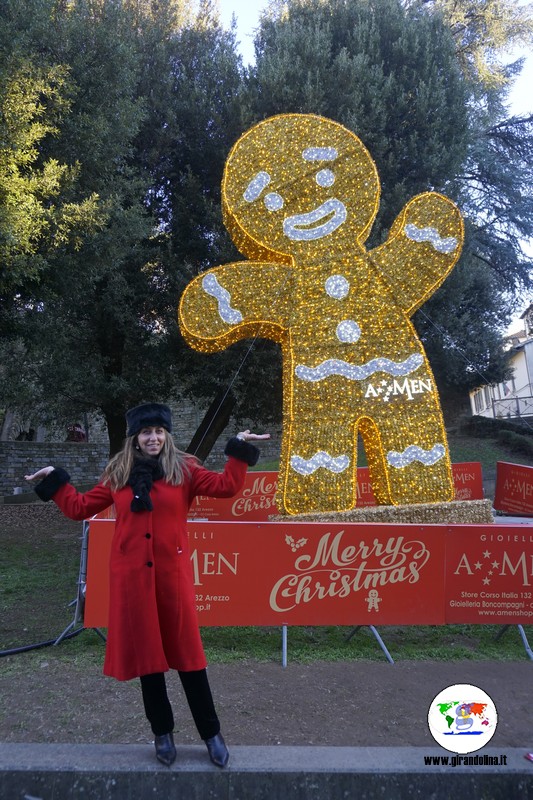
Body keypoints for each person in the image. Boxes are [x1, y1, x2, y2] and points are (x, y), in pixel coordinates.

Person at [25, 402, 269, 768]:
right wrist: (54, 479)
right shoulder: (119, 473)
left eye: (158, 431)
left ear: (166, 434)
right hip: (133, 582)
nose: (152, 438)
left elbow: (227, 486)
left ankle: (211, 734)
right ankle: (162, 733)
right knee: (149, 662)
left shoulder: (184, 469)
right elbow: (79, 507)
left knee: (190, 660)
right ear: (135, 438)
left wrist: (237, 448)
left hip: (172, 579)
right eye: (145, 432)